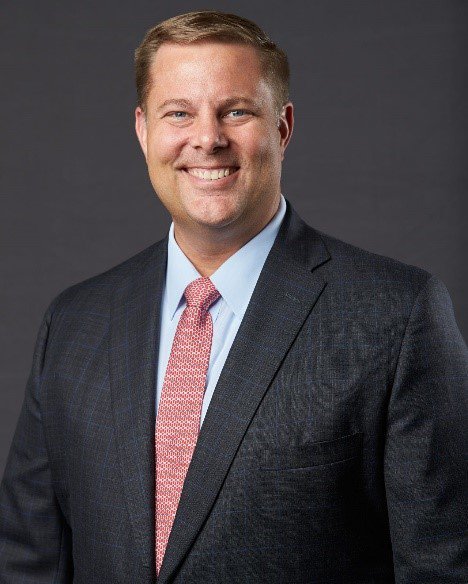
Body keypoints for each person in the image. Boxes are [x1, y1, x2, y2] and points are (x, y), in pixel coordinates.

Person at [0, 10, 466, 583]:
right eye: (179, 113)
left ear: (283, 126)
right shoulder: (74, 322)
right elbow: (27, 560)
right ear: (144, 130)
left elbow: (443, 567)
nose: (207, 138)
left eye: (236, 111)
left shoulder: (397, 315)